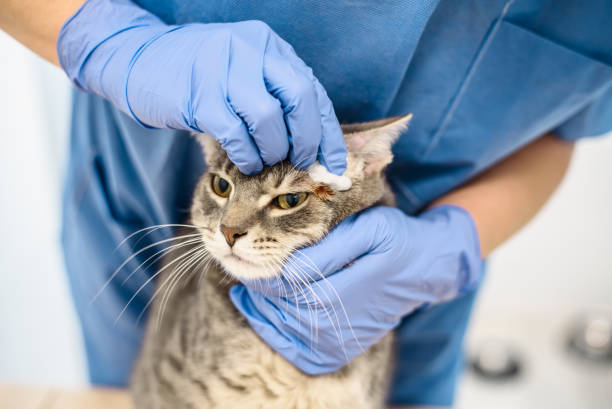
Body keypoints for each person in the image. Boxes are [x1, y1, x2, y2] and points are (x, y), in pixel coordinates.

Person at [1, 0, 611, 406]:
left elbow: (562, 127)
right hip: (152, 203)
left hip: (397, 278)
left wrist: (459, 240)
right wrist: (110, 42)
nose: (239, 229)